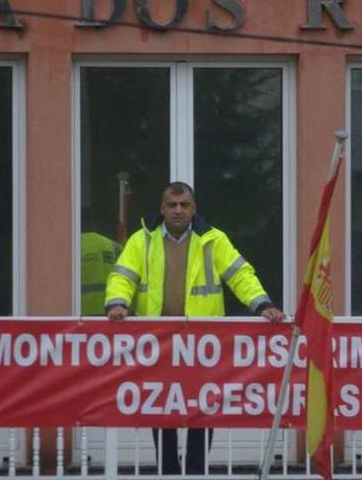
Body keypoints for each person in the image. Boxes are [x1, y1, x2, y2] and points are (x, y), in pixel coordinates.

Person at [104, 181, 284, 475]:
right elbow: (122, 277)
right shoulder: (142, 240)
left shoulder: (213, 240)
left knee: (202, 411)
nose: (178, 210)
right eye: (172, 205)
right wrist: (117, 303)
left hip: (203, 345)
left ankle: (197, 473)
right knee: (161, 411)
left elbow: (241, 276)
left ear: (194, 208)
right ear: (162, 209)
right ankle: (169, 472)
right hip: (158, 344)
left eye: (184, 205)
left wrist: (263, 306)